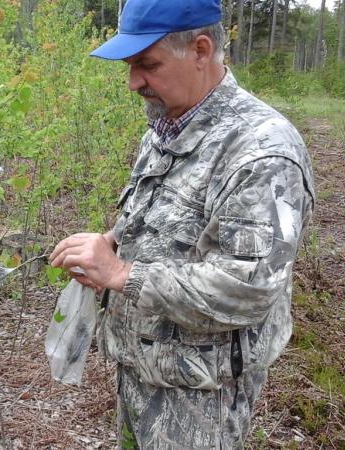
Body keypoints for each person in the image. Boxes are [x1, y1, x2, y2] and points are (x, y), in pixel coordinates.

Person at [49, 0, 315, 448]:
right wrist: (111, 245)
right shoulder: (166, 126)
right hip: (142, 369)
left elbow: (248, 289)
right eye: (130, 66)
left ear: (200, 50)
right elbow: (155, 220)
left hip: (201, 393)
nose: (134, 82)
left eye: (147, 64)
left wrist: (122, 274)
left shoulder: (262, 151)